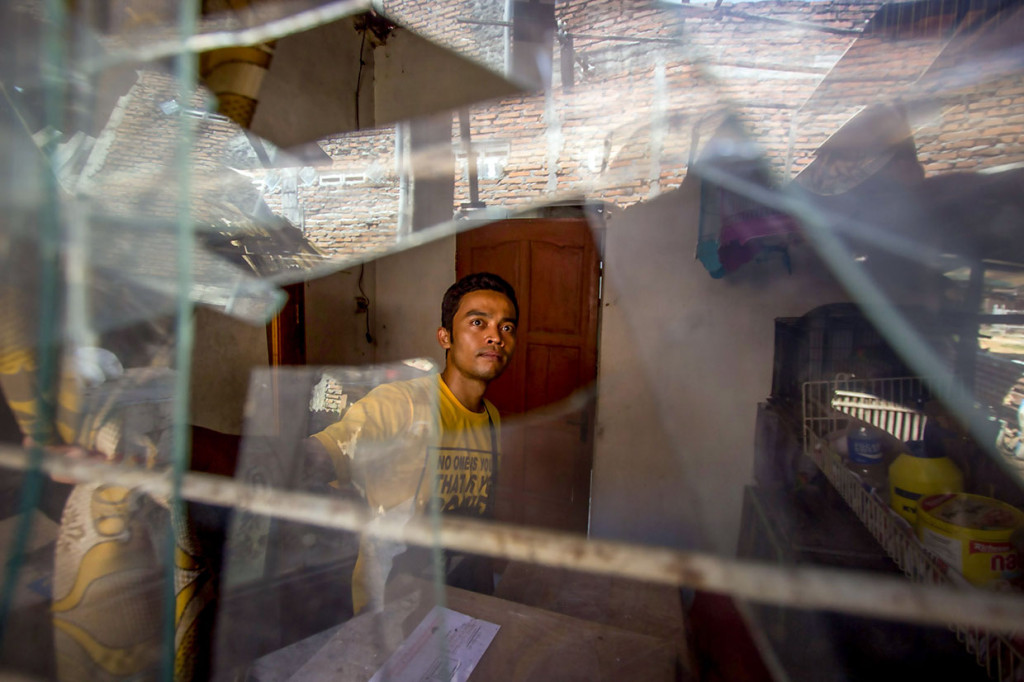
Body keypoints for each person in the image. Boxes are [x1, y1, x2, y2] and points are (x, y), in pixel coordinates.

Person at [305, 272, 518, 613]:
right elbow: (319, 456)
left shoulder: (491, 418)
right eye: (478, 322)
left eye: (506, 327)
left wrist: (484, 600)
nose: (495, 336)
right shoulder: (401, 402)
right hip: (391, 611)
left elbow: (479, 522)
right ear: (445, 337)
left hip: (457, 604)